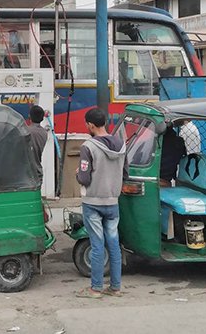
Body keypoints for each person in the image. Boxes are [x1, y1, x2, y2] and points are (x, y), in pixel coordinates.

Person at [75, 108, 127, 299]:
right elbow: (125, 173)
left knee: (97, 245)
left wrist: (78, 174)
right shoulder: (121, 145)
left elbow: (84, 178)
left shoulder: (88, 147)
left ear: (90, 125)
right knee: (113, 244)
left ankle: (96, 289)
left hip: (93, 202)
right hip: (112, 202)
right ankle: (115, 287)